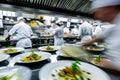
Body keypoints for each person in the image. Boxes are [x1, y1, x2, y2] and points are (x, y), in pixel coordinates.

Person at [82, 0, 120, 71]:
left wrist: (107, 64)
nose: (95, 16)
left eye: (96, 12)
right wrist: (85, 43)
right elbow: (101, 36)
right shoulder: (114, 25)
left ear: (109, 8)